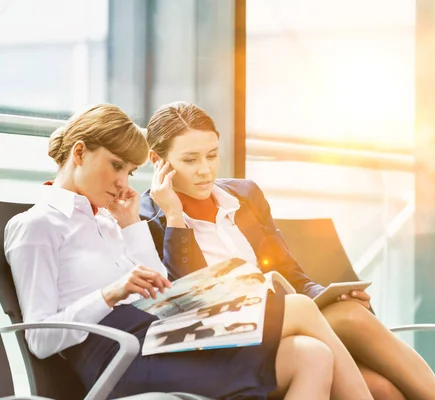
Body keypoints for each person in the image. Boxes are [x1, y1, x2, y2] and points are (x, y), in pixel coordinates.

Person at [4, 104, 373, 400]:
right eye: (116, 166)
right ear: (80, 153)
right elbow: (39, 339)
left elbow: (163, 291)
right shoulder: (36, 226)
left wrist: (132, 225)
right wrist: (110, 293)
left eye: (130, 172)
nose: (122, 182)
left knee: (312, 355)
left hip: (169, 337)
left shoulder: (113, 219)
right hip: (123, 358)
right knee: (300, 308)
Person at [140, 101, 435, 400]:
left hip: (284, 321)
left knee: (378, 376)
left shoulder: (245, 195)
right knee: (361, 368)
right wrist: (175, 218)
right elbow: (186, 301)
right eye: (190, 160)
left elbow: (290, 273)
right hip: (224, 339)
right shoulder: (147, 219)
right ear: (158, 161)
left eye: (212, 155)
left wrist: (331, 294)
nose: (205, 170)